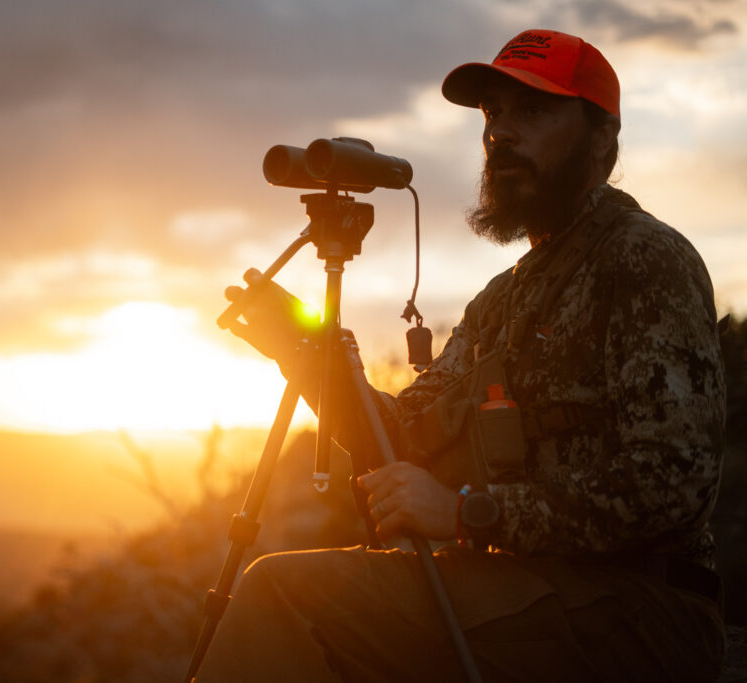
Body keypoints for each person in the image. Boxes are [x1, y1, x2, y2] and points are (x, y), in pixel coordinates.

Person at [194, 28, 726, 682]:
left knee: (285, 593)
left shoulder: (643, 260)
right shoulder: (499, 301)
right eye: (493, 113)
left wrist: (470, 512)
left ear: (602, 141)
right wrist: (310, 361)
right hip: (528, 585)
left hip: (642, 607)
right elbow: (404, 445)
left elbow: (674, 480)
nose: (500, 133)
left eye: (532, 111)